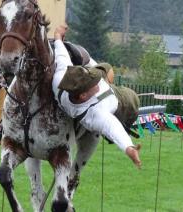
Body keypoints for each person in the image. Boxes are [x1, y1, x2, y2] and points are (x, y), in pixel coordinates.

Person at [52, 25, 141, 168]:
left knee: (104, 67)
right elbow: (113, 128)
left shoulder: (60, 80)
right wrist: (129, 148)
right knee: (132, 98)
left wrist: (57, 37)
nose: (96, 84)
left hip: (105, 82)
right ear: (83, 95)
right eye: (92, 85)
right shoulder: (94, 115)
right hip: (123, 100)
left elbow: (62, 56)